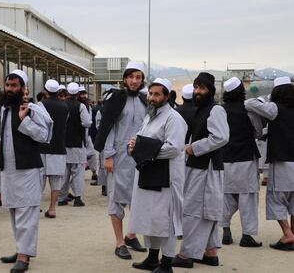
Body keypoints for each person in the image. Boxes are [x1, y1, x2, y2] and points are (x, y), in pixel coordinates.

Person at [128, 78, 186, 273]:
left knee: (165, 220)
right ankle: (152, 259)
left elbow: (174, 148)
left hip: (166, 177)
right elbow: (141, 139)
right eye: (150, 94)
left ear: (167, 96)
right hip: (149, 173)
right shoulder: (150, 116)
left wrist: (143, 150)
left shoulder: (173, 118)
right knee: (150, 217)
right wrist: (133, 146)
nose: (152, 98)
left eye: (157, 94)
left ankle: (167, 264)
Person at [172, 72, 229, 268]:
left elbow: (221, 137)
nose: (198, 91)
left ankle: (187, 255)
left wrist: (193, 148)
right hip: (199, 166)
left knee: (195, 210)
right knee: (205, 210)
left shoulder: (215, 110)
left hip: (207, 167)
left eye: (202, 88)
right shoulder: (202, 110)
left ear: (210, 90)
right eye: (196, 87)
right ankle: (210, 252)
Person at [0, 71, 53, 273]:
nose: (10, 89)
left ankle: (24, 257)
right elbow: (9, 136)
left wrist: (25, 121)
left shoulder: (32, 109)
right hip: (9, 170)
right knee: (14, 211)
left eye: (14, 85)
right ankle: (21, 249)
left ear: (23, 88)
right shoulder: (5, 110)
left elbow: (44, 136)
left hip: (28, 169)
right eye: (8, 85)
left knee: (26, 213)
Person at [94, 61, 148, 259]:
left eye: (138, 77)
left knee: (138, 198)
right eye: (131, 77)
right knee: (117, 198)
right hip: (118, 156)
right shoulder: (115, 99)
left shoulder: (145, 100)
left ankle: (131, 235)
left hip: (140, 158)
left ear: (142, 80)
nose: (134, 81)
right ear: (124, 79)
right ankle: (119, 242)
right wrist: (108, 155)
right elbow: (109, 128)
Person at [244, 76, 294, 251]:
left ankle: (288, 234)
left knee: (277, 199)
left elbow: (249, 104)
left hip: (282, 162)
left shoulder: (274, 109)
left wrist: (262, 99)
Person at [220, 77, 263, 247]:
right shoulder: (248, 110)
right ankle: (247, 235)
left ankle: (225, 231)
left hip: (225, 158)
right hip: (246, 158)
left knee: (226, 196)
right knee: (248, 198)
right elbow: (258, 132)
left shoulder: (220, 110)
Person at [58, 82, 92, 207]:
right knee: (77, 172)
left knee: (64, 172)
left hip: (63, 143)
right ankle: (78, 197)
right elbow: (87, 123)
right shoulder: (81, 106)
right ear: (77, 93)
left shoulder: (62, 105)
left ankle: (61, 197)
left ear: (67, 93)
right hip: (77, 143)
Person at [39, 79, 68, 218]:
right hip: (59, 147)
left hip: (42, 147)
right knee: (56, 181)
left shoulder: (39, 105)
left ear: (45, 91)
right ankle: (52, 208)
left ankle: (36, 206)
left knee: (39, 180)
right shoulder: (64, 106)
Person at [78, 86, 98, 183]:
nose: (84, 95)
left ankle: (94, 172)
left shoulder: (88, 106)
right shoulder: (78, 105)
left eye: (84, 93)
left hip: (87, 134)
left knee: (92, 154)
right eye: (81, 94)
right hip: (78, 135)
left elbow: (89, 121)